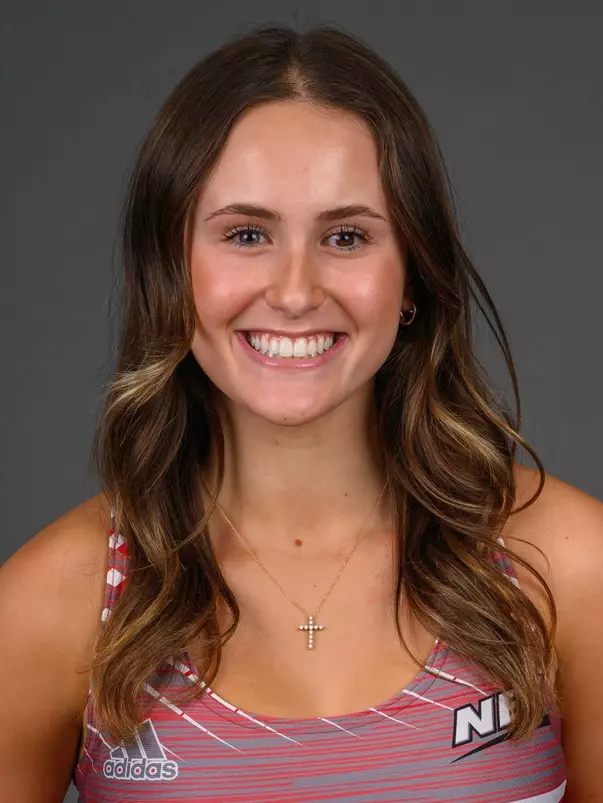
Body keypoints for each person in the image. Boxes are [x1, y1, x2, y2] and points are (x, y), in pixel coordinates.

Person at [1, 22, 602, 803]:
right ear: (170, 271)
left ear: (412, 278)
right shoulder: (57, 603)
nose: (293, 290)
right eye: (246, 234)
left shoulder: (569, 568)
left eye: (346, 236)